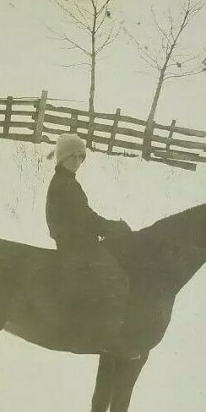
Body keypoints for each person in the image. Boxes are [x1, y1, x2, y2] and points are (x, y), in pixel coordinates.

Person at [45, 133, 138, 359]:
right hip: (75, 244)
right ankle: (108, 338)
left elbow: (84, 218)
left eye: (81, 156)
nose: (77, 161)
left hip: (76, 240)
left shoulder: (67, 181)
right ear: (61, 159)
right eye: (72, 156)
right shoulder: (65, 184)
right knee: (115, 276)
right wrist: (113, 228)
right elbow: (85, 218)